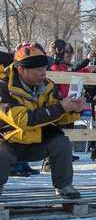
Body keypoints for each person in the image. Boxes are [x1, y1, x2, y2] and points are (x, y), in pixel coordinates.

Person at [0, 43, 83, 198]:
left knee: (61, 142)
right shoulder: (3, 87)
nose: (43, 73)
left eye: (45, 68)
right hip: (8, 141)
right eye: (38, 69)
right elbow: (23, 120)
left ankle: (64, 186)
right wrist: (61, 108)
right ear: (21, 70)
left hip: (35, 141)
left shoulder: (48, 85)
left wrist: (73, 109)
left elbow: (58, 118)